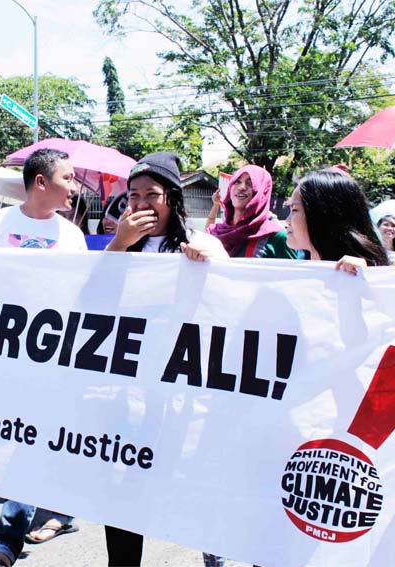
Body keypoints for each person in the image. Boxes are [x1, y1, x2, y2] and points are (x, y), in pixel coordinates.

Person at [0, 148, 84, 567]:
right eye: (69, 178)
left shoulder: (72, 237)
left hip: (48, 362)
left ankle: (7, 541)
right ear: (41, 182)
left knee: (28, 443)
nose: (75, 187)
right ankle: (61, 507)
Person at [103, 152, 228, 567]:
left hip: (180, 395)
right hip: (128, 394)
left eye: (151, 194)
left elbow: (230, 311)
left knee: (183, 485)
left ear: (172, 199)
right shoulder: (118, 247)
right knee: (123, 491)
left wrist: (207, 274)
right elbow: (94, 301)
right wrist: (119, 244)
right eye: (133, 195)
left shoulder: (203, 243)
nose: (140, 204)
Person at [284, 170, 389, 272]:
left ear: (322, 216)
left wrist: (365, 275)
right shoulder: (298, 270)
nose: (287, 220)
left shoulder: (363, 273)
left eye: (295, 210)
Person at [205, 165, 296, 259]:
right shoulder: (213, 233)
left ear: (263, 192)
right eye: (237, 181)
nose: (242, 187)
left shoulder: (277, 238)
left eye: (250, 183)